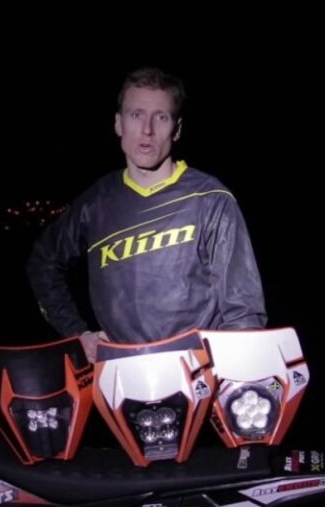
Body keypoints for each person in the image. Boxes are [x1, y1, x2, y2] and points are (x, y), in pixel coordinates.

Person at [26, 66, 267, 362]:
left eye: (161, 117)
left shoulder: (210, 199)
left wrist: (234, 372)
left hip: (196, 374)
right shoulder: (95, 204)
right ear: (118, 123)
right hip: (119, 375)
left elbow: (243, 312)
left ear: (177, 129)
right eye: (136, 115)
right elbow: (43, 261)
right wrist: (77, 333)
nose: (147, 130)